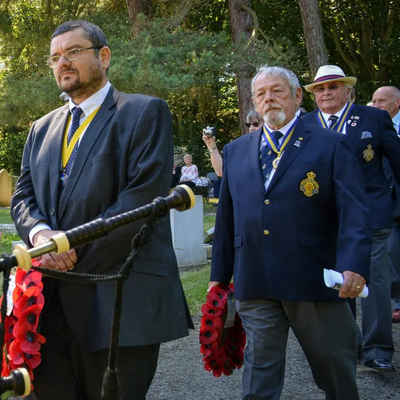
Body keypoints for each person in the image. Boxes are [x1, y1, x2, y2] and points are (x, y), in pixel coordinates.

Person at [10, 20, 191, 400]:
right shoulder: (40, 130)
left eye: (73, 52)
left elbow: (140, 200)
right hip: (51, 306)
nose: (63, 62)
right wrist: (42, 238)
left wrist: (69, 250)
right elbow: (23, 196)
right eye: (55, 57)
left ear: (104, 56)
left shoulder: (143, 112)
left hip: (118, 296)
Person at [209, 65, 371, 399]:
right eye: (261, 94)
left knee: (335, 371)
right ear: (254, 102)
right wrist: (218, 279)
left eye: (277, 91)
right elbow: (227, 220)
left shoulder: (331, 144)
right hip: (255, 279)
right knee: (259, 376)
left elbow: (354, 211)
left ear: (298, 96)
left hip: (313, 276)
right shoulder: (236, 150)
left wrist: (354, 264)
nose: (269, 99)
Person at [302, 65, 400, 372]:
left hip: (372, 213)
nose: (327, 93)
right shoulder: (304, 124)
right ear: (314, 95)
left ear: (348, 90)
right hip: (325, 218)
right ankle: (350, 344)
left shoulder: (374, 118)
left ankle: (379, 350)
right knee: (336, 281)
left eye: (333, 87)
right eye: (320, 89)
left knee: (374, 280)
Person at [372, 86, 400, 322]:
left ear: (397, 102)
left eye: (382, 100)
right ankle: (398, 301)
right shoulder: (371, 127)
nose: (377, 104)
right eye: (374, 100)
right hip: (388, 204)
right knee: (391, 252)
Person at [202, 110, 264, 177]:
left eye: (255, 124)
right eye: (248, 125)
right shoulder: (242, 147)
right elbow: (222, 172)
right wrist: (211, 145)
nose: (251, 128)